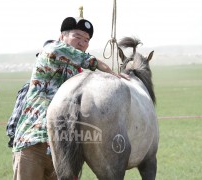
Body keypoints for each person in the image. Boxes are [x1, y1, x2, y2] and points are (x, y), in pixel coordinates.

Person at [11, 15, 122, 180]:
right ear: (62, 36)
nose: (82, 43)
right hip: (33, 145)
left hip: (61, 150)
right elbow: (86, 59)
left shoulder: (78, 74)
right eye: (77, 36)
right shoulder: (50, 51)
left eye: (86, 40)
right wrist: (111, 72)